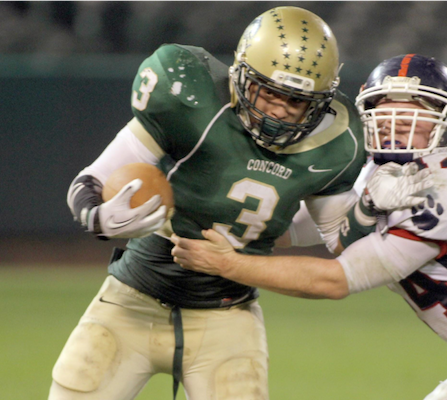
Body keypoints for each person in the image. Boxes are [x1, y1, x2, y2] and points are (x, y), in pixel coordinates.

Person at [171, 54, 447, 399]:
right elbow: (283, 227)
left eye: (417, 108)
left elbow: (335, 279)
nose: (396, 119)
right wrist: (206, 206)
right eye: (385, 107)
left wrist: (228, 264)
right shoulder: (375, 177)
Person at [50, 6, 374, 400]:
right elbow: (91, 181)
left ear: (320, 103)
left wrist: (372, 203)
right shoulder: (189, 95)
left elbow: (337, 237)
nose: (278, 110)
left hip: (227, 316)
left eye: (296, 101)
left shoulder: (337, 141)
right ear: (240, 75)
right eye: (269, 91)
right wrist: (99, 216)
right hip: (132, 299)